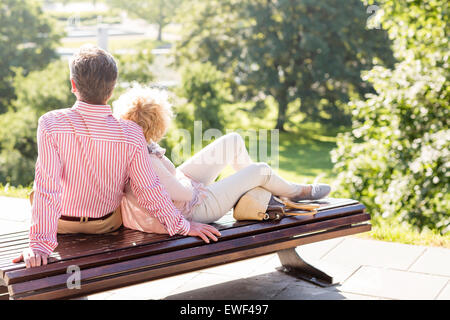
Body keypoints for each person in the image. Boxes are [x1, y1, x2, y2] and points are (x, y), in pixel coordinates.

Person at [13, 45, 220, 269]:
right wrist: (183, 226)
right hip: (106, 224)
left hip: (63, 224)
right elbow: (148, 189)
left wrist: (39, 246)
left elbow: (47, 187)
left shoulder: (50, 123)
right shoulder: (131, 133)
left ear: (73, 85)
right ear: (111, 90)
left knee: (39, 189)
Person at [113, 86, 331, 235]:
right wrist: (191, 183)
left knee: (233, 141)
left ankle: (259, 193)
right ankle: (295, 191)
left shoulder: (137, 144)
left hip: (181, 194)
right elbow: (184, 193)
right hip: (192, 209)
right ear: (158, 122)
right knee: (261, 170)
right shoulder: (146, 160)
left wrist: (184, 178)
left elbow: (170, 185)